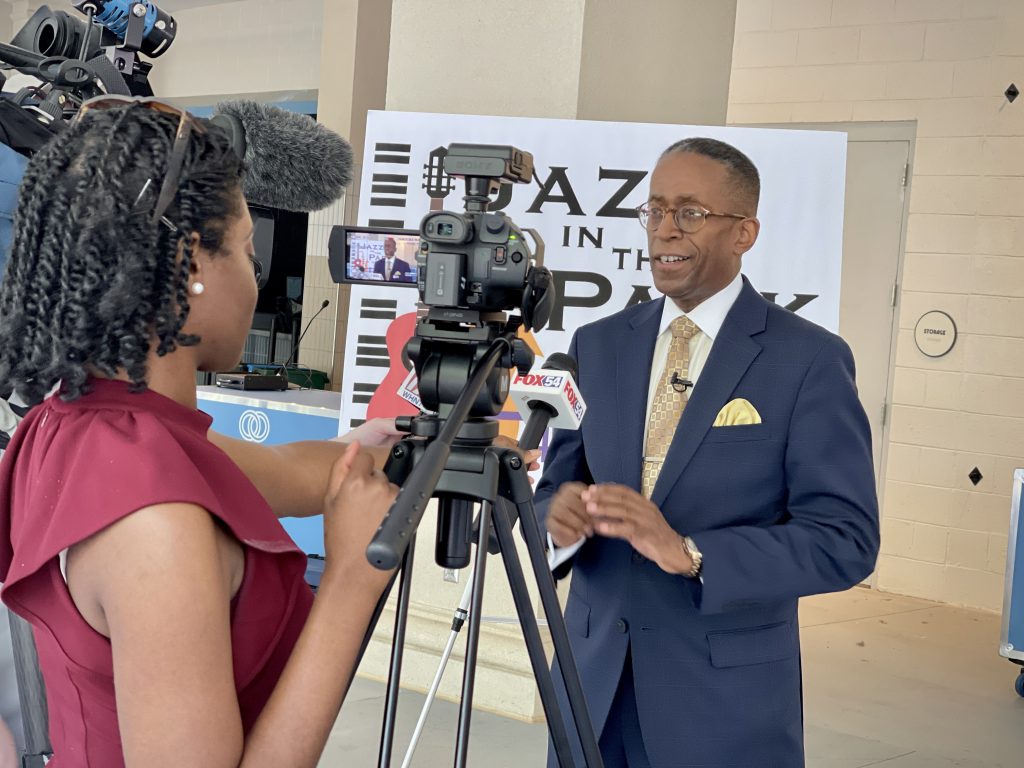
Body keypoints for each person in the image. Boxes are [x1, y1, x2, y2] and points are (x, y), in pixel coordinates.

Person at [0, 98, 400, 768]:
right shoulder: (154, 520)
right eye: (247, 250)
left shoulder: (84, 427)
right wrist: (352, 584)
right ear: (191, 263)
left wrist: (393, 439)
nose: (255, 276)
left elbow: (297, 474)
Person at [535, 138, 880, 768]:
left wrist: (691, 553)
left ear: (744, 232)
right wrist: (557, 522)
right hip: (590, 690)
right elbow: (554, 489)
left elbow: (845, 540)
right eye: (656, 211)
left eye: (690, 213)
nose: (665, 229)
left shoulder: (808, 360)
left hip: (723, 705)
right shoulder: (599, 344)